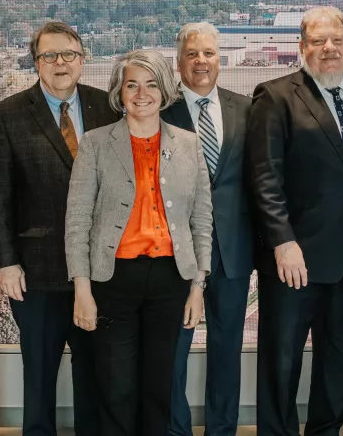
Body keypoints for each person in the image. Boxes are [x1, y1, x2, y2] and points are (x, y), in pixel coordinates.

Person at [246, 6, 343, 436]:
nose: (329, 49)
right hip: (295, 260)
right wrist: (282, 242)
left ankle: (327, 430)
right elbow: (263, 177)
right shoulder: (275, 96)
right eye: (318, 41)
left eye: (337, 40)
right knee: (281, 360)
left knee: (340, 357)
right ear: (302, 47)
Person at [65, 50, 213, 436]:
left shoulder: (189, 144)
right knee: (116, 388)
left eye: (150, 84)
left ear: (164, 92)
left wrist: (198, 285)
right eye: (132, 84)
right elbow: (78, 221)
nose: (141, 93)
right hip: (113, 281)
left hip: (171, 279)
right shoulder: (95, 144)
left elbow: (201, 219)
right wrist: (83, 289)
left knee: (159, 389)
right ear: (120, 92)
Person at [0, 21, 118, 436]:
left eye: (69, 55)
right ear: (35, 61)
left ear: (82, 59)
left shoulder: (108, 106)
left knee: (94, 377)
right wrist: (5, 264)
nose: (60, 63)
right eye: (49, 55)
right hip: (36, 274)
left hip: (99, 271)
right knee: (38, 376)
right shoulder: (7, 114)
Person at [160, 22, 255, 436]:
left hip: (233, 251)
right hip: (177, 255)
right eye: (192, 54)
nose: (201, 61)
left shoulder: (247, 109)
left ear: (221, 59)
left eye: (209, 53)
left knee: (226, 351)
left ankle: (222, 430)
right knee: (172, 354)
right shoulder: (160, 113)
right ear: (179, 63)